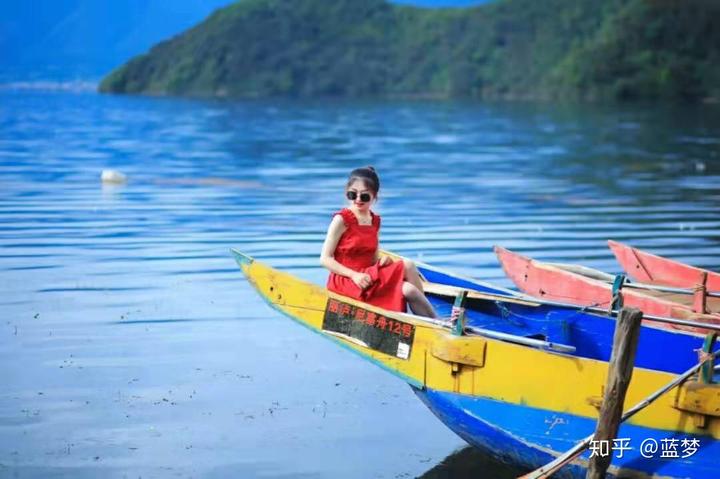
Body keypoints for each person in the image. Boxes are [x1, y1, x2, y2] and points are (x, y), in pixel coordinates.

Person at [320, 166, 437, 318]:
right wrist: (354, 275)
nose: (358, 200)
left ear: (374, 197)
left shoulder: (374, 220)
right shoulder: (341, 220)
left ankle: (433, 321)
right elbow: (325, 259)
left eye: (364, 196)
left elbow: (373, 258)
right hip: (348, 280)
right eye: (352, 194)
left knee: (408, 265)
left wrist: (383, 261)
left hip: (368, 276)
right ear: (346, 193)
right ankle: (431, 321)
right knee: (408, 290)